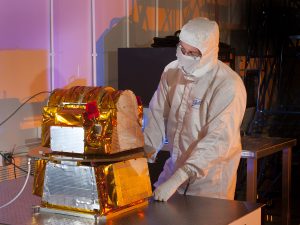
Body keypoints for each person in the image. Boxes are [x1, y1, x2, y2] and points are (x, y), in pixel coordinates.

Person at [143, 17, 247, 201]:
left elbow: (217, 140)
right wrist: (145, 156)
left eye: (192, 53)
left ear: (208, 53)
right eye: (182, 49)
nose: (184, 56)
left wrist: (179, 177)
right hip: (172, 172)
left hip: (210, 184)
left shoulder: (228, 85)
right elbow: (157, 115)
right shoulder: (171, 72)